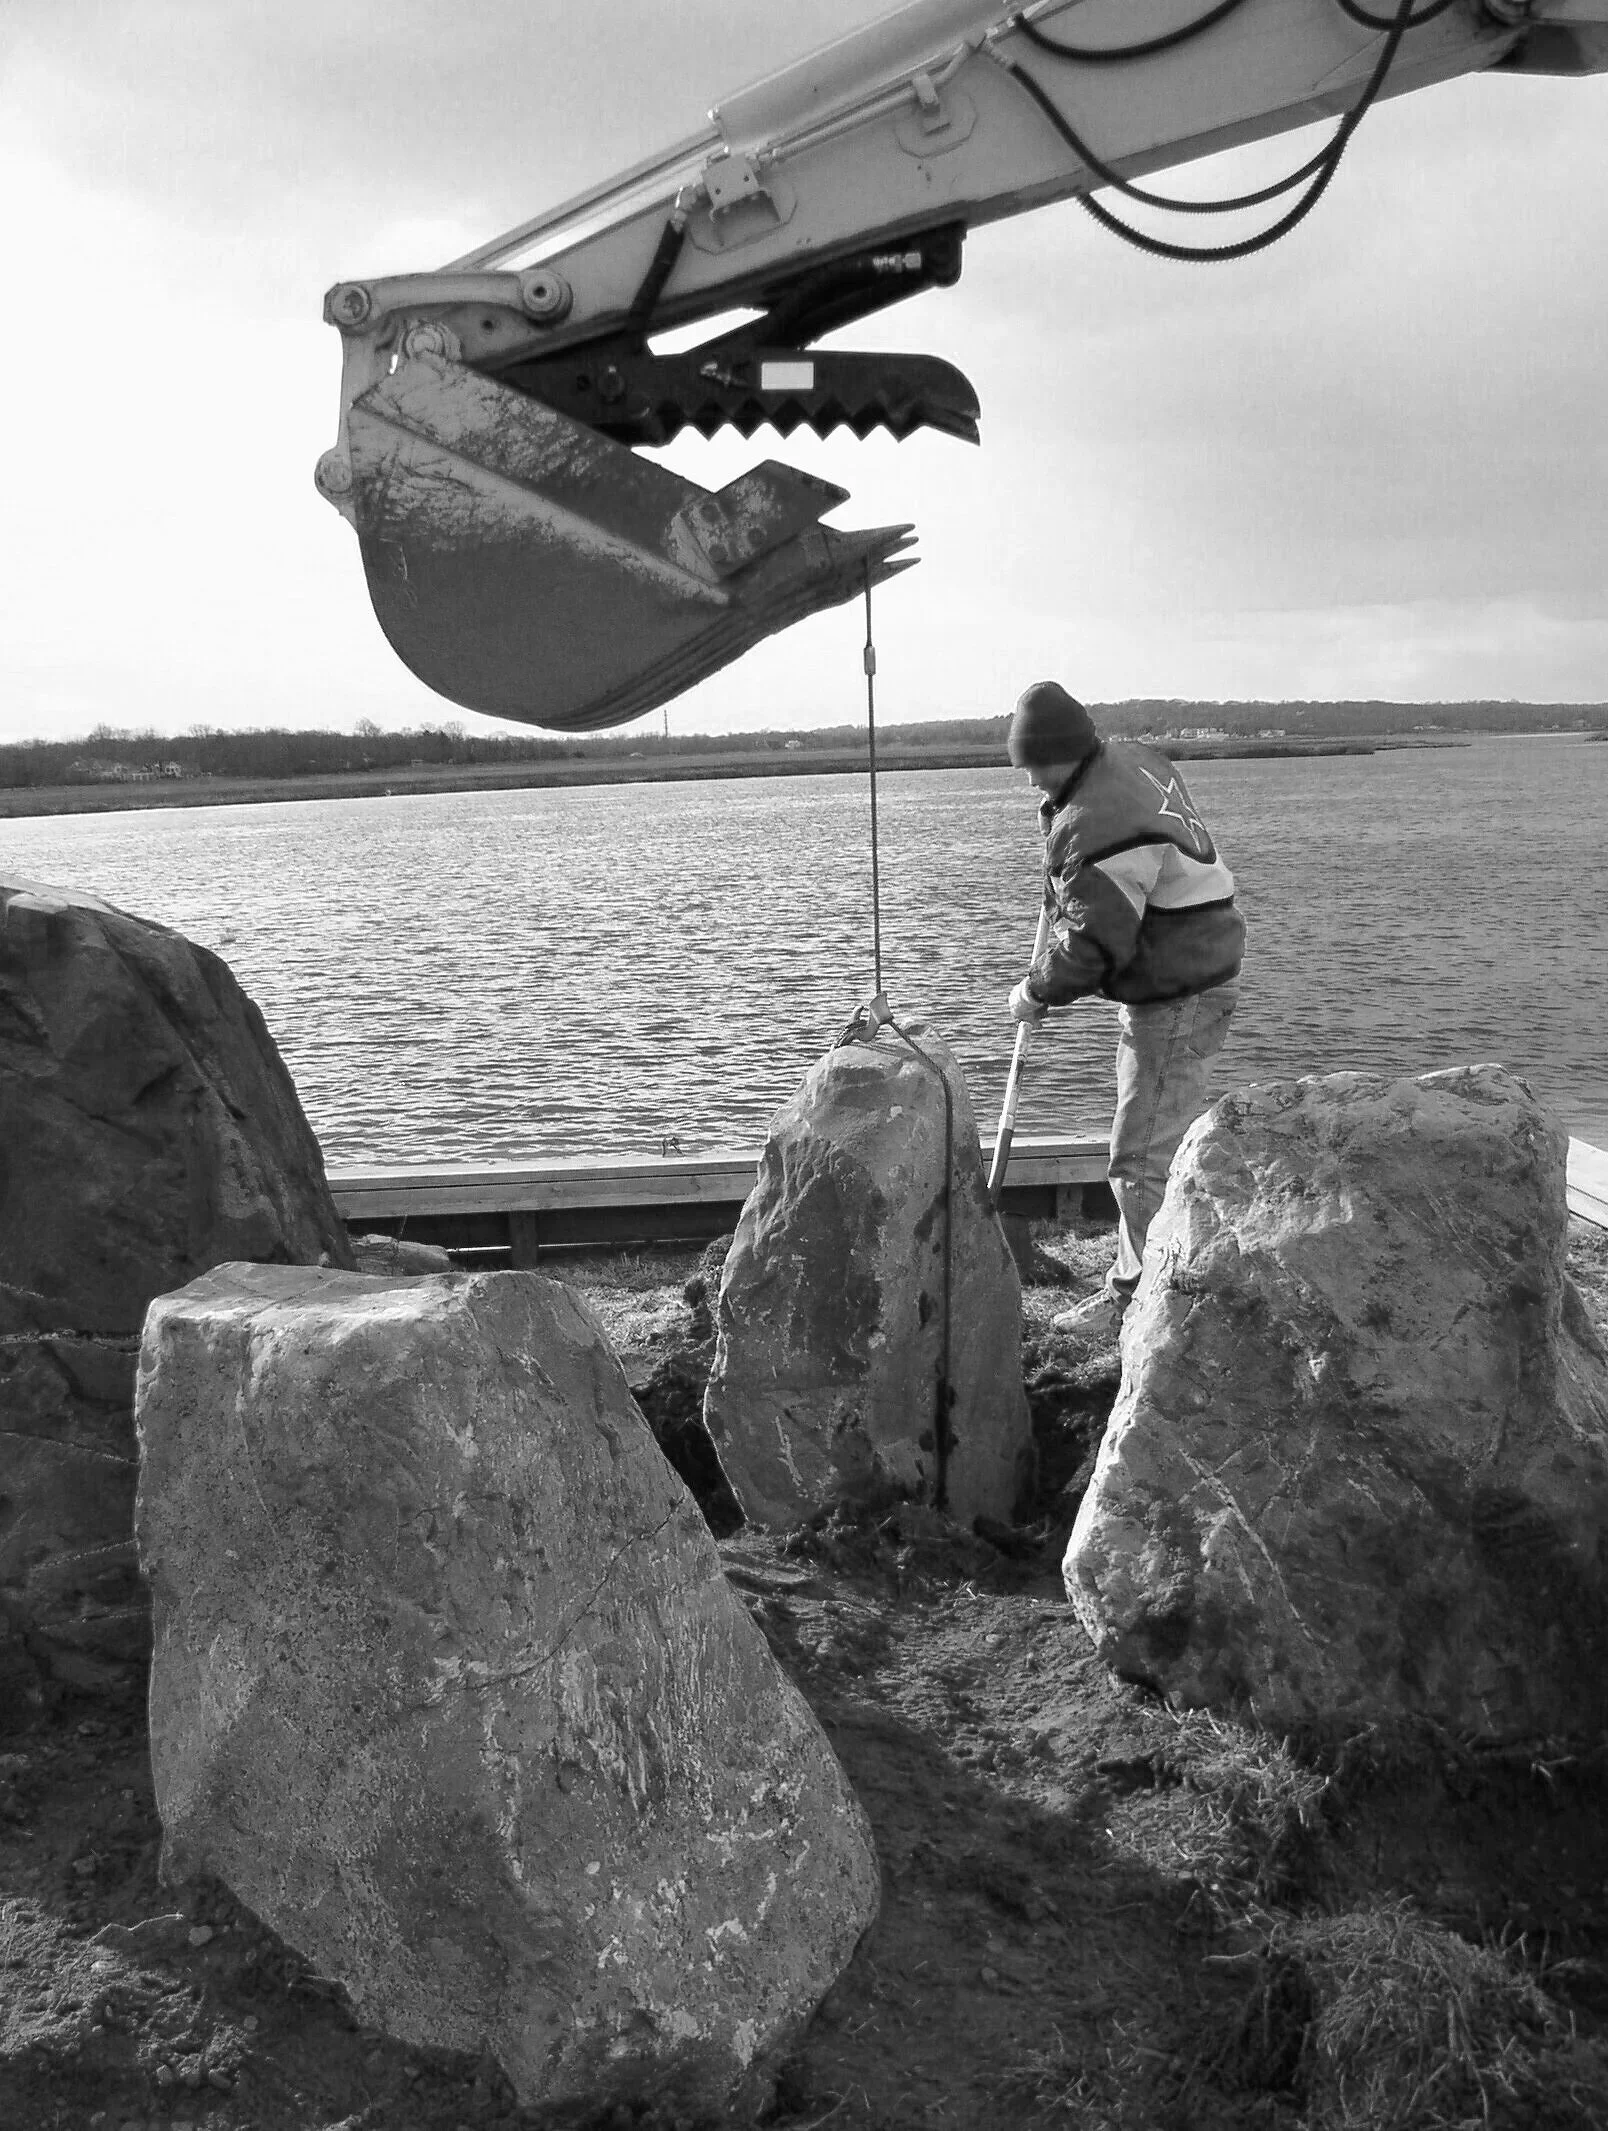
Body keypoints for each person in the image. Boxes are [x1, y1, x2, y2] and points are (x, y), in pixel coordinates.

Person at [1005, 681, 1244, 1341]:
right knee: (1151, 1146)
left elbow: (1095, 946)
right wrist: (1066, 882)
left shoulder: (1101, 823)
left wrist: (1037, 991)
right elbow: (1099, 896)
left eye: (1032, 764)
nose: (1028, 780)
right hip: (1183, 978)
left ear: (1062, 752)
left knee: (1138, 1158)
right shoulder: (1130, 762)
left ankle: (1145, 1308)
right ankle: (1147, 1283)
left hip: (1179, 995)